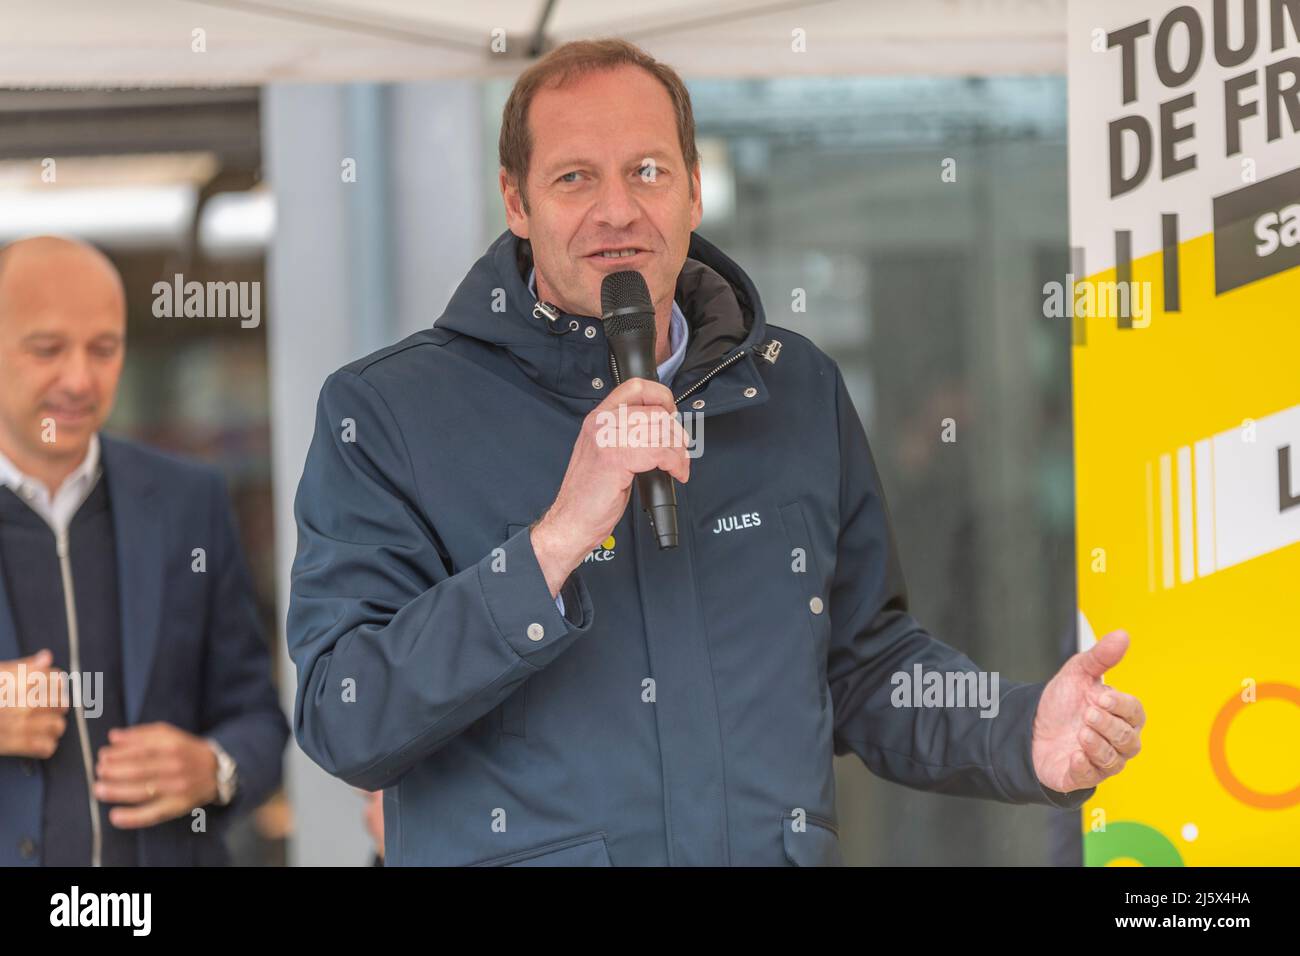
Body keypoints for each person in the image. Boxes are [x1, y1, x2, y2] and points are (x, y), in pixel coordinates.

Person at [287, 39, 1145, 866]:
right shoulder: (389, 414)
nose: (616, 209)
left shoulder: (793, 388)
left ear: (695, 191)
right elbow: (344, 714)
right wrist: (549, 548)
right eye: (574, 177)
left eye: (648, 171)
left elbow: (863, 667)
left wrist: (1016, 730)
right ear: (516, 201)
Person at [0, 236, 288, 866]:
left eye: (104, 349)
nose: (79, 379)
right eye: (48, 349)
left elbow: (257, 718)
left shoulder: (190, 502)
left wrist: (214, 769)